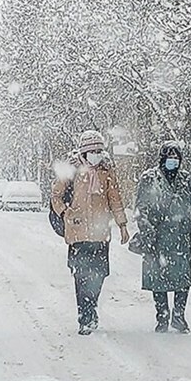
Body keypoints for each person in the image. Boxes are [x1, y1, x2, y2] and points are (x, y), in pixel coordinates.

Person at [51, 130, 129, 336]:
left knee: (99, 274)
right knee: (81, 276)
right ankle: (84, 317)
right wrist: (66, 213)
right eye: (93, 150)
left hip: (100, 233)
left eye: (99, 151)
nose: (97, 154)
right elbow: (56, 195)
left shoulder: (106, 171)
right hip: (78, 234)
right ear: (85, 152)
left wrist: (122, 225)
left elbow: (115, 199)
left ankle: (91, 306)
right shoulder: (72, 170)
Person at [135, 141, 191, 333]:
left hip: (180, 238)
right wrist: (147, 229)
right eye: (169, 157)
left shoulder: (187, 179)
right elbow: (140, 209)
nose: (173, 161)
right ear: (162, 158)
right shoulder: (149, 178)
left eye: (176, 158)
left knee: (182, 278)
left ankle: (179, 315)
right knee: (157, 277)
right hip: (156, 237)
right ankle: (162, 315)